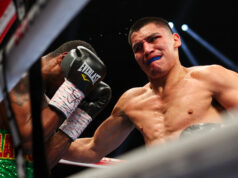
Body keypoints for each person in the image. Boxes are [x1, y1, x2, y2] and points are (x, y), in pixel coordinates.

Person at [62, 17, 238, 164]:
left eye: (154, 39)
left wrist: (223, 143)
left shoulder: (212, 77)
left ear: (176, 40)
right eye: (138, 48)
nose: (147, 49)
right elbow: (92, 148)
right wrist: (41, 143)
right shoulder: (132, 101)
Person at [0, 40, 111, 177]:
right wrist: (74, 89)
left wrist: (78, 118)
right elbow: (29, 142)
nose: (74, 95)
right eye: (73, 79)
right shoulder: (17, 75)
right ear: (64, 60)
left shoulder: (48, 107)